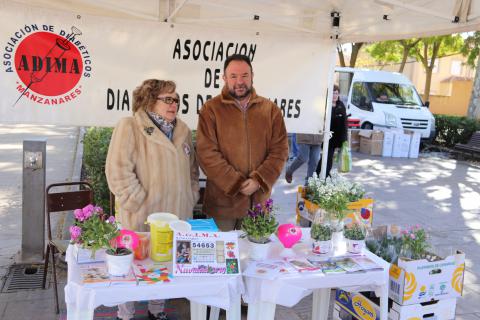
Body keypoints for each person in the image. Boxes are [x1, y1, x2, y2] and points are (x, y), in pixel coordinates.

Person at [106, 79, 199, 320]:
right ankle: (125, 314)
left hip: (176, 216)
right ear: (149, 101)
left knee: (165, 267)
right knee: (133, 268)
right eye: (167, 99)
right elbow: (118, 171)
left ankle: (157, 311)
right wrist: (137, 202)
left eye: (176, 99)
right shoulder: (130, 126)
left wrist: (191, 196)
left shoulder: (184, 131)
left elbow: (192, 171)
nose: (174, 104)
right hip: (141, 218)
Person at [196, 54, 289, 231]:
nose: (240, 81)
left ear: (252, 76)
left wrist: (259, 180)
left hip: (258, 204)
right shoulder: (211, 110)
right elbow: (206, 153)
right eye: (233, 76)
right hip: (222, 206)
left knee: (254, 256)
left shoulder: (270, 110)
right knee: (222, 256)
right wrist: (236, 183)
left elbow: (280, 150)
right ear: (224, 78)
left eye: (244, 75)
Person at [315, 84, 348, 178]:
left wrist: (344, 139)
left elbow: (344, 123)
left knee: (329, 157)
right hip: (326, 135)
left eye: (336, 93)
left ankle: (320, 174)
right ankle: (323, 175)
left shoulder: (341, 105)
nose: (335, 95)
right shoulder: (325, 105)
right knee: (327, 157)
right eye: (333, 93)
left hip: (336, 137)